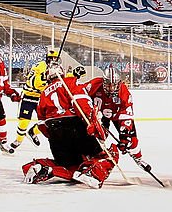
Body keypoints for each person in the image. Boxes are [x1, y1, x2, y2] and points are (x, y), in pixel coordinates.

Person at [22, 59, 119, 188]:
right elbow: (82, 103)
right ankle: (93, 175)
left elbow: (42, 125)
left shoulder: (43, 94)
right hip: (75, 126)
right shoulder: (70, 81)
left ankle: (46, 168)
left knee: (71, 167)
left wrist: (56, 139)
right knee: (109, 155)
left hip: (54, 133)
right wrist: (91, 123)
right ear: (61, 73)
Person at [86, 65, 146, 165]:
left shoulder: (124, 93)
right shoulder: (94, 84)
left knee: (131, 140)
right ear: (103, 81)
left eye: (114, 85)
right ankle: (91, 157)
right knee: (97, 136)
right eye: (109, 84)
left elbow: (126, 115)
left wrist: (124, 136)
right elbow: (80, 93)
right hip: (101, 115)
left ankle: (138, 158)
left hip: (118, 115)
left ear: (119, 83)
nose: (111, 88)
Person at [12, 46, 58, 150]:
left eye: (55, 58)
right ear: (47, 58)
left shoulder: (55, 68)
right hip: (29, 96)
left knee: (46, 121)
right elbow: (37, 84)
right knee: (24, 120)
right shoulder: (40, 67)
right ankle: (18, 140)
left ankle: (32, 132)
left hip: (41, 98)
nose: (54, 60)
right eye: (52, 58)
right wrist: (48, 83)